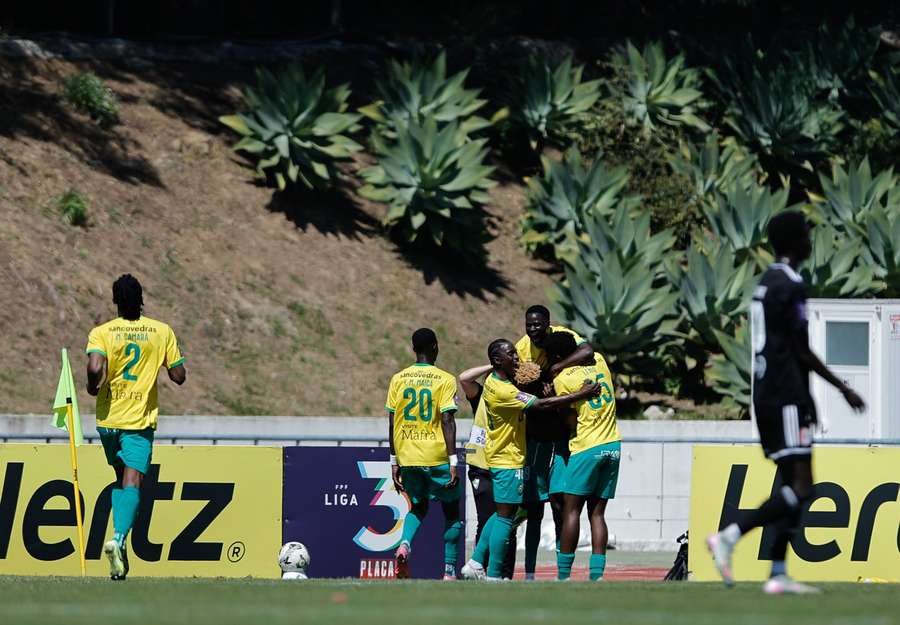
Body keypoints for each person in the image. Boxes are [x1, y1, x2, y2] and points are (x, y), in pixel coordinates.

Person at [706, 211, 866, 594]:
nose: (812, 240)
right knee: (803, 486)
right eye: (807, 234)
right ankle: (731, 535)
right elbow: (800, 349)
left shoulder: (766, 281)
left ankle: (777, 573)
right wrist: (843, 388)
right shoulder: (791, 284)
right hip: (786, 394)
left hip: (767, 392)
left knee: (787, 483)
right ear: (795, 241)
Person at [461, 339, 600, 582]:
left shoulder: (496, 382)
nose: (517, 357)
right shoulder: (504, 391)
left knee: (506, 513)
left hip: (502, 458)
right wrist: (581, 394)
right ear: (497, 361)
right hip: (508, 459)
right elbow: (542, 405)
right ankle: (493, 574)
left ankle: (474, 561)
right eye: (511, 354)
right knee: (506, 517)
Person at [85, 274, 186, 580]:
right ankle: (116, 539)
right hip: (137, 422)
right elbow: (179, 376)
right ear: (142, 298)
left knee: (121, 480)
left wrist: (93, 386)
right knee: (132, 482)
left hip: (107, 421)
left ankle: (121, 548)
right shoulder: (160, 331)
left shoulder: (102, 332)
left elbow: (95, 367)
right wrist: (171, 363)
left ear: (115, 301)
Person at [515, 305, 593, 579]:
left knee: (561, 503)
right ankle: (530, 573)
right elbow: (519, 391)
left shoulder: (562, 336)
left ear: (548, 324)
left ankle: (563, 572)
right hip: (536, 437)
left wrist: (555, 371)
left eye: (538, 324)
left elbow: (588, 351)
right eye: (529, 324)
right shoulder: (522, 349)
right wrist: (539, 387)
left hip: (562, 437)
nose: (533, 329)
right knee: (535, 509)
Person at [386, 328, 462, 580]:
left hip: (408, 456)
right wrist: (453, 461)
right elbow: (447, 419)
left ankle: (405, 544)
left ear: (413, 348)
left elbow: (392, 421)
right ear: (435, 347)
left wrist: (394, 460)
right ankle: (449, 571)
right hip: (437, 456)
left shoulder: (398, 378)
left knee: (417, 508)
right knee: (451, 512)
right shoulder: (445, 379)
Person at [544, 331, 620, 581]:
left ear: (556, 356)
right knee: (597, 514)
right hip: (612, 446)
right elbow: (586, 348)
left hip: (586, 446)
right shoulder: (598, 360)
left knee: (571, 512)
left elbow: (570, 422)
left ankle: (563, 575)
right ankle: (596, 575)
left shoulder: (564, 379)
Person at [459, 363, 517, 579]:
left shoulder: (512, 396)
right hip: (480, 466)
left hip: (505, 464)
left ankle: (505, 573)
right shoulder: (481, 395)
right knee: (487, 518)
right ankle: (478, 567)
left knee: (508, 520)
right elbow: (464, 377)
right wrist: (493, 365)